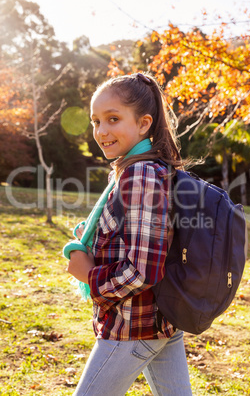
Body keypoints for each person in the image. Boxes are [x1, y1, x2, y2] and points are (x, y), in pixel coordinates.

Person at [65, 72, 192, 395]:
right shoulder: (143, 167)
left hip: (133, 325)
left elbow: (144, 270)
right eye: (95, 121)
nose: (101, 131)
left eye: (112, 119)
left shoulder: (141, 174)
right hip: (158, 320)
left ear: (144, 123)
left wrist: (89, 274)